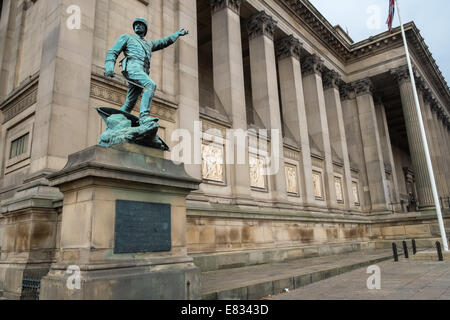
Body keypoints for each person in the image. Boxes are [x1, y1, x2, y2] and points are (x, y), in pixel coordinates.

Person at [104, 18, 188, 124]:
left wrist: (177, 34)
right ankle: (144, 117)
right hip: (132, 68)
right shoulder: (127, 37)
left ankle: (115, 120)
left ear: (145, 29)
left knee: (130, 103)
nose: (138, 26)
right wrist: (109, 67)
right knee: (150, 85)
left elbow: (164, 42)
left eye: (141, 24)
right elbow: (113, 52)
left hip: (142, 72)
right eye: (136, 24)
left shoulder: (149, 44)